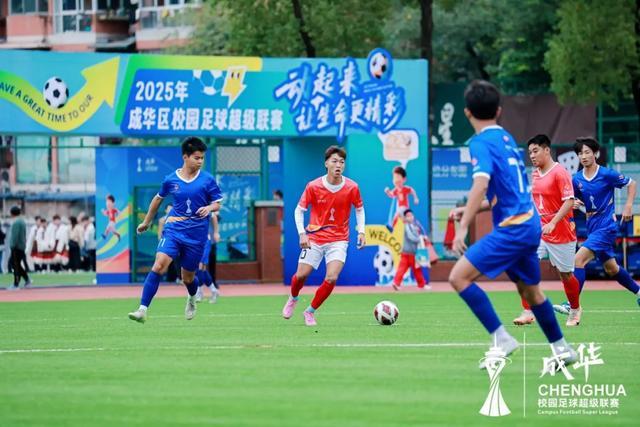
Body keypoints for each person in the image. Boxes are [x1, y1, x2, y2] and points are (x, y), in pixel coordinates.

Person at [448, 80, 576, 369]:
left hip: (514, 228)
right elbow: (500, 193)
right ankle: (562, 349)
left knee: (458, 277)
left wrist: (463, 225)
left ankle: (502, 339)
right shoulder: (506, 139)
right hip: (530, 223)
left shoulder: (479, 143)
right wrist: (469, 209)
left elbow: (481, 183)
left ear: (467, 113)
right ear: (499, 111)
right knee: (531, 292)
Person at [128, 137, 222, 323]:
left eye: (202, 158)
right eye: (196, 157)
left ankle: (192, 297)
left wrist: (209, 208)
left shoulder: (207, 180)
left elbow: (217, 204)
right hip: (174, 230)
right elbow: (158, 199)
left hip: (196, 236)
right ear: (185, 157)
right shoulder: (171, 179)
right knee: (159, 265)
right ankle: (142, 310)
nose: (200, 161)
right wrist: (146, 222)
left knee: (188, 278)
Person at [281, 145, 366, 326]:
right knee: (301, 276)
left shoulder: (352, 187)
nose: (338, 165)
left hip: (339, 239)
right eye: (334, 161)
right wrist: (302, 234)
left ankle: (310, 311)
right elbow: (299, 210)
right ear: (326, 163)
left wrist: (361, 231)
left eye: (342, 162)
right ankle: (293, 297)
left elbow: (359, 209)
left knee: (332, 277)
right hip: (314, 238)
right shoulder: (313, 186)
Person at [510, 135, 582, 327]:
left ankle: (575, 309)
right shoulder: (535, 174)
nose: (532, 156)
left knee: (566, 275)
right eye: (530, 153)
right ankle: (528, 311)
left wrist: (553, 222)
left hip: (562, 231)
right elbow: (536, 202)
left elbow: (569, 201)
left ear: (547, 150)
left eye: (536, 151)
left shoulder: (560, 172)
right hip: (539, 231)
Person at [567, 137, 640, 308]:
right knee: (611, 268)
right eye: (580, 153)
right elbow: (575, 199)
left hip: (606, 226)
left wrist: (628, 206)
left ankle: (571, 304)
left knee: (578, 260)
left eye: (587, 152)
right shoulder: (576, 179)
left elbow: (632, 184)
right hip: (592, 226)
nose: (583, 156)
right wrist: (576, 203)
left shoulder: (607, 174)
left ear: (595, 154)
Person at [391, 209, 429, 290]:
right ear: (405, 218)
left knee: (416, 269)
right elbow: (410, 237)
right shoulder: (407, 226)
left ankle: (421, 284)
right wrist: (420, 238)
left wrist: (423, 237)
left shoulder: (415, 225)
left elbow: (420, 233)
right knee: (403, 269)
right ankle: (396, 283)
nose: (410, 217)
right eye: (408, 216)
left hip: (414, 252)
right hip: (407, 252)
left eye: (411, 215)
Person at [195, 211, 220, 303]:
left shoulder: (205, 208)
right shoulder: (190, 209)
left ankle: (199, 293)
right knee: (202, 269)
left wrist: (216, 233)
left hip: (205, 241)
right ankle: (214, 291)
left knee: (200, 266)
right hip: (195, 241)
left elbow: (214, 216)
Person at [7, 206, 31, 290]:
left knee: (15, 265)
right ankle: (27, 279)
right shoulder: (22, 222)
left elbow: (15, 236)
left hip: (16, 247)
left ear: (12, 213)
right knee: (16, 265)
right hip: (21, 246)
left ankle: (16, 284)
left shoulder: (16, 223)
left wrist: (12, 245)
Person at [157, 204, 180, 282]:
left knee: (177, 261)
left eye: (172, 209)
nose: (170, 210)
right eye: (169, 209)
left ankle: (179, 278)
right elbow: (160, 234)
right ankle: (167, 279)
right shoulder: (162, 220)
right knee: (165, 262)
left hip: (175, 243)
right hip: (166, 242)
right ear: (165, 210)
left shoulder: (177, 219)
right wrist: (161, 243)